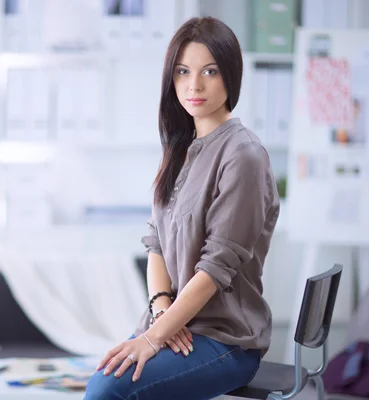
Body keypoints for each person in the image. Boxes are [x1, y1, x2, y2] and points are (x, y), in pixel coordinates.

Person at [84, 16, 280, 400]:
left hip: (225, 339)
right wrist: (161, 313)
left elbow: (215, 268)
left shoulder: (244, 155)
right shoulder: (180, 147)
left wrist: (154, 339)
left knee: (110, 391)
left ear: (231, 75)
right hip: (175, 323)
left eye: (210, 71)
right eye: (183, 72)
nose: (194, 85)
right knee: (104, 381)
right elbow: (155, 241)